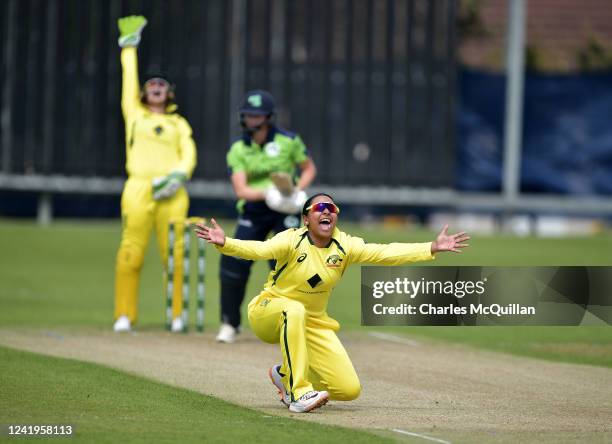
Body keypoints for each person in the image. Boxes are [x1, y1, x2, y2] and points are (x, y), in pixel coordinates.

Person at [195, 193, 470, 413]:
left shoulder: (345, 246)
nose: (326, 211)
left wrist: (430, 248)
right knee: (294, 308)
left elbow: (385, 253)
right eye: (319, 207)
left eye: (332, 208)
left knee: (348, 389)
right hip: (269, 311)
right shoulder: (291, 240)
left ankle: (284, 374)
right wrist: (226, 242)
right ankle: (299, 393)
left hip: (313, 322)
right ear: (305, 219)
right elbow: (259, 250)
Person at [113, 16, 197, 332]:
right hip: (138, 189)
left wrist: (178, 175)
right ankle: (124, 315)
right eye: (151, 85)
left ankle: (177, 315)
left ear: (169, 91)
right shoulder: (135, 115)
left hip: (172, 193)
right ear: (145, 92)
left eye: (162, 84)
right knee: (130, 252)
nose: (157, 88)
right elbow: (128, 84)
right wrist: (129, 50)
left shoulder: (179, 124)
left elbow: (188, 153)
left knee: (175, 255)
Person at [216, 89, 317, 343]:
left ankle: (292, 323)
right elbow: (241, 189)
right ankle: (230, 323)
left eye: (256, 116)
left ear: (268, 118)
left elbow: (308, 168)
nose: (250, 120)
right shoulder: (238, 148)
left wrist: (296, 192)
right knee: (234, 264)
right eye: (248, 115)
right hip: (255, 209)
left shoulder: (288, 140)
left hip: (286, 209)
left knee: (287, 266)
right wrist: (269, 193)